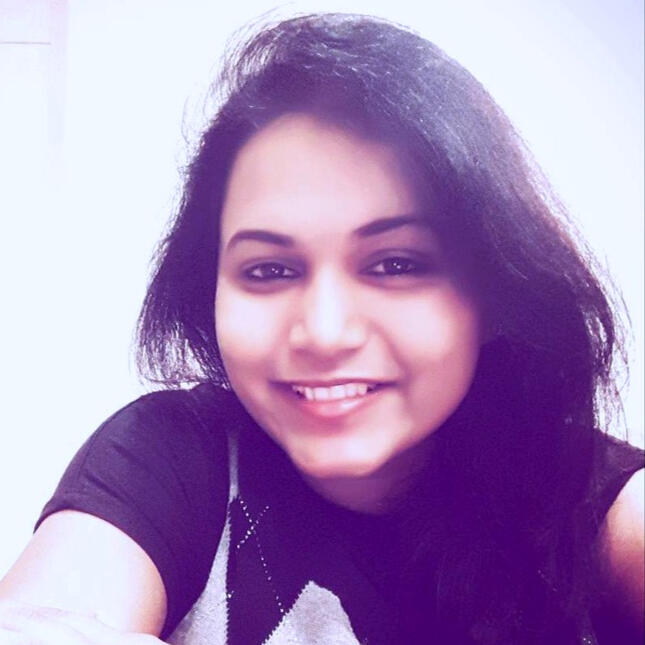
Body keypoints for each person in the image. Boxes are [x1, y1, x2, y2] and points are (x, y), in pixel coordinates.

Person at [0, 12, 642, 645]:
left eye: (395, 264)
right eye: (270, 270)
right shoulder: (170, 460)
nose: (325, 333)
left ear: (495, 288)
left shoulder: (584, 501)